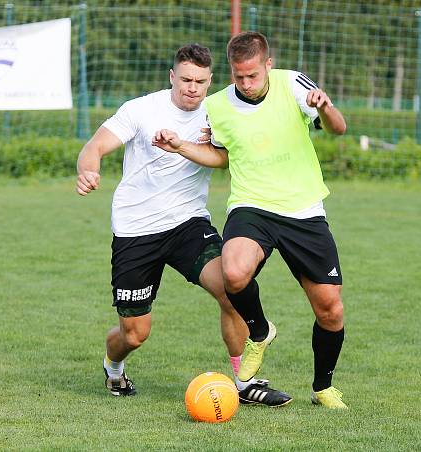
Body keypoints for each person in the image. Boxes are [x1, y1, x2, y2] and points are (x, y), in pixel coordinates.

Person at [75, 43, 291, 407]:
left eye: (201, 81)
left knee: (232, 291)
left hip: (188, 224)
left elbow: (225, 158)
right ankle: (113, 366)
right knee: (135, 333)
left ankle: (244, 381)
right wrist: (88, 169)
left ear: (210, 82)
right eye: (186, 79)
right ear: (172, 77)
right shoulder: (141, 109)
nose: (192, 87)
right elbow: (94, 146)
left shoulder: (217, 112)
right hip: (136, 230)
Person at [153, 32, 348, 408]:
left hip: (303, 210)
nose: (246, 83)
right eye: (239, 76)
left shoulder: (293, 84)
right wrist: (181, 147)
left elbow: (338, 128)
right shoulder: (218, 106)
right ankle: (260, 333)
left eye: (253, 75)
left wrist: (324, 107)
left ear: (268, 66)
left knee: (330, 310)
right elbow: (220, 156)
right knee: (234, 271)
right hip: (251, 206)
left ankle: (323, 386)